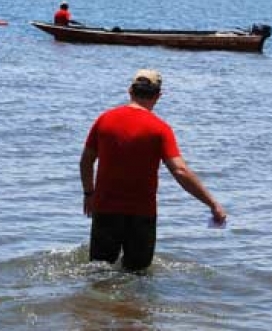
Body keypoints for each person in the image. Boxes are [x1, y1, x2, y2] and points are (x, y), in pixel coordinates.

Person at [79, 69, 227, 271]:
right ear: (158, 96)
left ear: (130, 90)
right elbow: (181, 171)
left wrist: (89, 192)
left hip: (105, 209)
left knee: (99, 271)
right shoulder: (160, 129)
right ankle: (132, 304)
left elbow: (86, 160)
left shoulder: (104, 120)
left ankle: (97, 304)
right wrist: (212, 203)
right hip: (142, 214)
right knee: (137, 275)